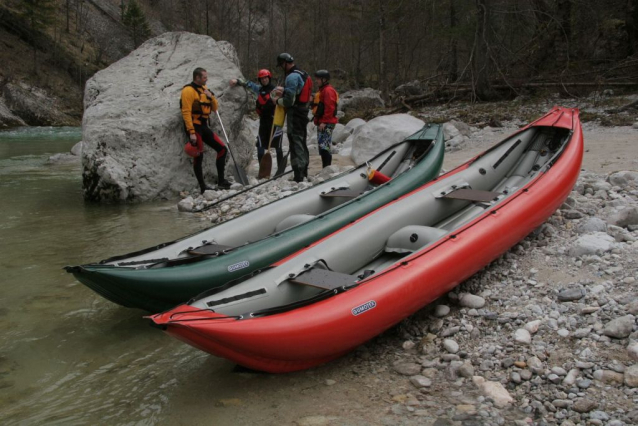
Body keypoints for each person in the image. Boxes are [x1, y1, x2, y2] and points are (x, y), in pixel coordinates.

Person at [181, 67, 232, 192]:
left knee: (222, 149)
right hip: (194, 126)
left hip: (204, 126)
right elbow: (186, 112)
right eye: (204, 77)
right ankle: (203, 187)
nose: (206, 79)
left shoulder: (205, 90)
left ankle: (221, 181)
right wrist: (191, 132)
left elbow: (215, 108)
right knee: (199, 156)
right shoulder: (188, 90)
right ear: (197, 78)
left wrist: (211, 97)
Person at [229, 69, 284, 172]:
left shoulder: (276, 90)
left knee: (278, 147)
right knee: (260, 147)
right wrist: (237, 81)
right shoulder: (258, 89)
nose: (264, 80)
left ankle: (280, 170)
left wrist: (282, 93)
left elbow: (286, 97)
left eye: (265, 78)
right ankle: (262, 170)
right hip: (263, 121)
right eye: (262, 78)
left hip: (275, 121)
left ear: (269, 78)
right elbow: (248, 84)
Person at [272, 53, 311, 182]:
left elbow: (289, 101)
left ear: (285, 63)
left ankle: (298, 174)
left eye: (281, 65)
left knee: (295, 141)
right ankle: (304, 170)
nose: (281, 68)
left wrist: (277, 101)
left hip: (295, 113)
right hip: (303, 111)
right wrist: (284, 91)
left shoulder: (292, 77)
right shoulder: (303, 73)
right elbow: (298, 92)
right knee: (302, 139)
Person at [312, 69, 339, 168]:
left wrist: (324, 121)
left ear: (324, 79)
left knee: (325, 146)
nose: (317, 81)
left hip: (326, 122)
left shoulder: (328, 90)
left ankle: (327, 167)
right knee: (322, 146)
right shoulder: (322, 90)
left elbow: (330, 107)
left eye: (318, 79)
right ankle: (325, 167)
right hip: (322, 122)